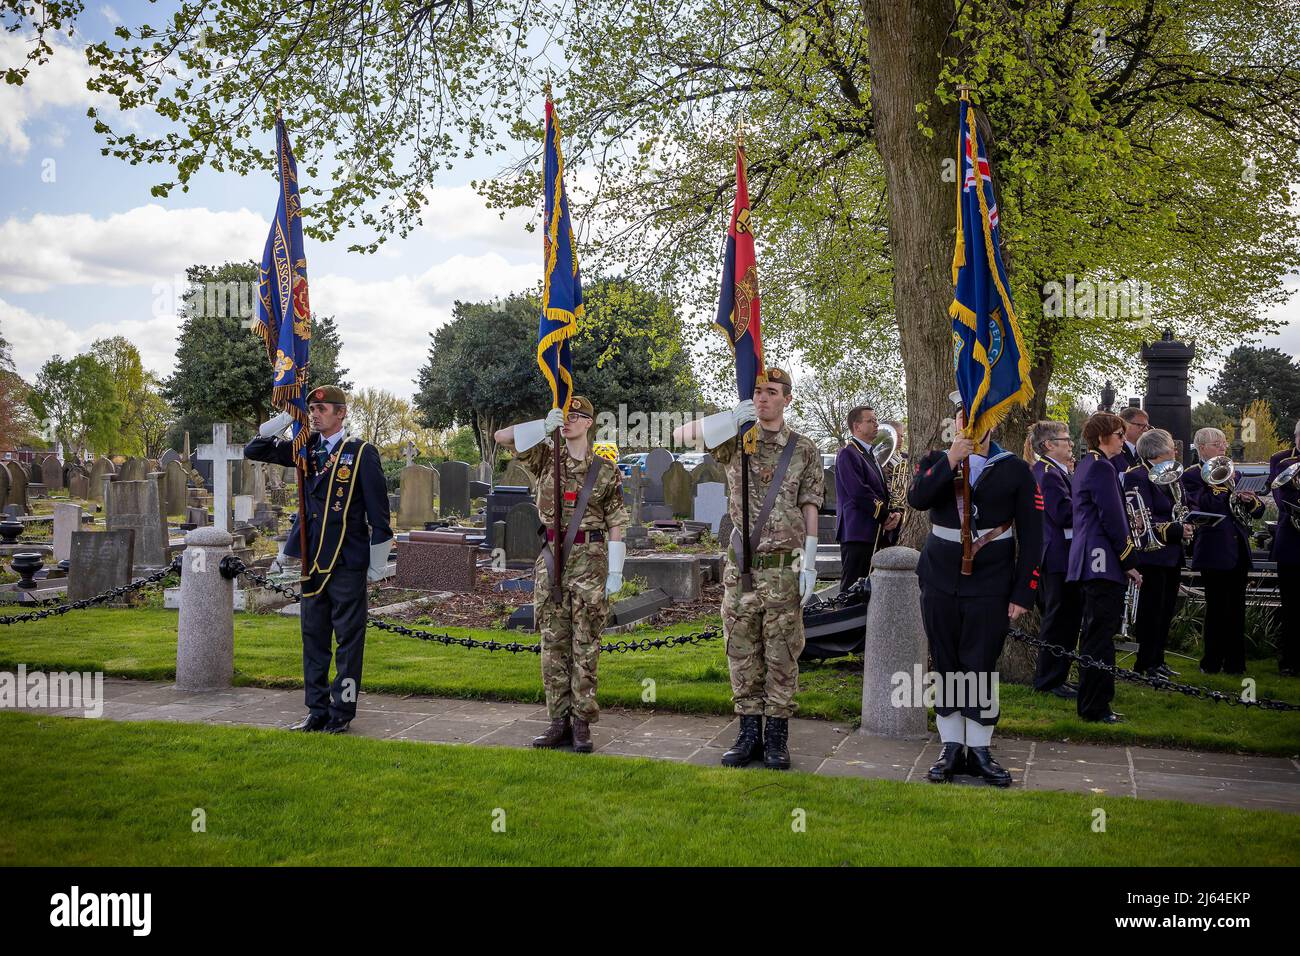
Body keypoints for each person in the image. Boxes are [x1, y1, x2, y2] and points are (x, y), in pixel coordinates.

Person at [673, 368, 823, 770]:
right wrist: (728, 418)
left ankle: (776, 737)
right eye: (757, 391)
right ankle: (747, 733)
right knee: (742, 652)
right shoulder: (736, 439)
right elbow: (681, 435)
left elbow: (810, 504)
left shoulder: (804, 449)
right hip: (742, 571)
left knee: (782, 654)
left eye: (771, 391)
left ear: (787, 399)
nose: (762, 398)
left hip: (784, 569)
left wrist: (810, 561)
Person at [245, 386, 393, 734]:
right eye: (311, 408)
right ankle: (317, 710)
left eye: (321, 409)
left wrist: (376, 565)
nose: (314, 414)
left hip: (346, 560)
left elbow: (380, 515)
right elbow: (256, 448)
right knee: (313, 638)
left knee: (348, 643)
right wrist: (288, 415)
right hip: (312, 559)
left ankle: (342, 711)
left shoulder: (360, 452)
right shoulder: (305, 447)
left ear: (341, 413)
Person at [907, 407, 1042, 787]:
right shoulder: (935, 460)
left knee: (980, 662)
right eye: (963, 417)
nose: (970, 424)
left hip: (991, 581)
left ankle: (979, 748)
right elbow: (918, 498)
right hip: (940, 579)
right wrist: (952, 459)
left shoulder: (1015, 468)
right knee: (946, 661)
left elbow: (1034, 536)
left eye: (979, 417)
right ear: (954, 424)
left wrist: (1024, 591)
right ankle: (951, 747)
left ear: (992, 422)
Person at [494, 397, 628, 753]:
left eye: (574, 416)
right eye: (563, 416)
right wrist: (542, 426)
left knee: (586, 645)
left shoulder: (606, 470)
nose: (567, 421)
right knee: (553, 644)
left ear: (588, 423)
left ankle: (581, 723)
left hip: (591, 563)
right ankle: (558, 721)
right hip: (552, 561)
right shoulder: (544, 459)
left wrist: (616, 570)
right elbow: (501, 437)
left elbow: (616, 522)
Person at [1067, 412, 1141, 723]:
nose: (1124, 440)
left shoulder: (1088, 464)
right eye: (1119, 435)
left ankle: (1092, 704)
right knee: (1100, 637)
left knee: (1094, 634)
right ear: (1102, 437)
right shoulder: (1101, 467)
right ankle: (1096, 707)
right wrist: (1129, 560)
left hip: (1090, 558)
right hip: (1101, 560)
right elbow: (1112, 518)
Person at [1183, 427, 1265, 675]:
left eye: (1224, 443)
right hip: (1214, 548)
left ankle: (1235, 664)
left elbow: (1258, 511)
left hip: (1238, 547)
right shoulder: (1193, 475)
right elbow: (1200, 506)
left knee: (1237, 608)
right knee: (1217, 608)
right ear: (1202, 448)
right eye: (1217, 444)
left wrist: (1250, 500)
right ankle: (1211, 662)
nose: (1223, 447)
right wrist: (1217, 487)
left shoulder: (1234, 473)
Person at [1124, 428, 1191, 678]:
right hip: (1151, 554)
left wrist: (1188, 523)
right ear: (1158, 451)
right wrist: (1176, 529)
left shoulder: (1172, 474)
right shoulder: (1137, 475)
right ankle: (1145, 663)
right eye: (1171, 447)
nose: (1175, 451)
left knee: (1166, 609)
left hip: (1172, 553)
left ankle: (1158, 659)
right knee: (1151, 611)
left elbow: (1181, 506)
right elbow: (1141, 518)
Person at [1028, 420, 1081, 698]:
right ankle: (1049, 679)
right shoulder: (1048, 474)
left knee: (1068, 620)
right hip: (1058, 556)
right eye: (1065, 439)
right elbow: (1063, 513)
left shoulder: (1057, 471)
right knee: (1058, 620)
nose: (1070, 444)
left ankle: (1059, 675)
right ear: (1049, 445)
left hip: (1065, 554)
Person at [834, 406, 900, 591]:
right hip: (857, 532)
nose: (876, 424)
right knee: (852, 589)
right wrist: (885, 515)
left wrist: (893, 512)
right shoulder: (848, 453)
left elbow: (880, 491)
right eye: (870, 421)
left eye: (876, 420)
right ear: (857, 426)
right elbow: (858, 492)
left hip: (872, 531)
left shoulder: (870, 454)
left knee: (868, 590)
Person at [1268, 419, 1300, 676]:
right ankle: (1290, 660)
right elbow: (1282, 498)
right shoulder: (1282, 460)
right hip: (1293, 542)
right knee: (1292, 605)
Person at [1111, 406, 1150, 480]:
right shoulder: (1114, 451)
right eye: (1140, 425)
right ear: (1124, 425)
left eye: (1147, 426)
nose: (1146, 429)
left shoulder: (1146, 451)